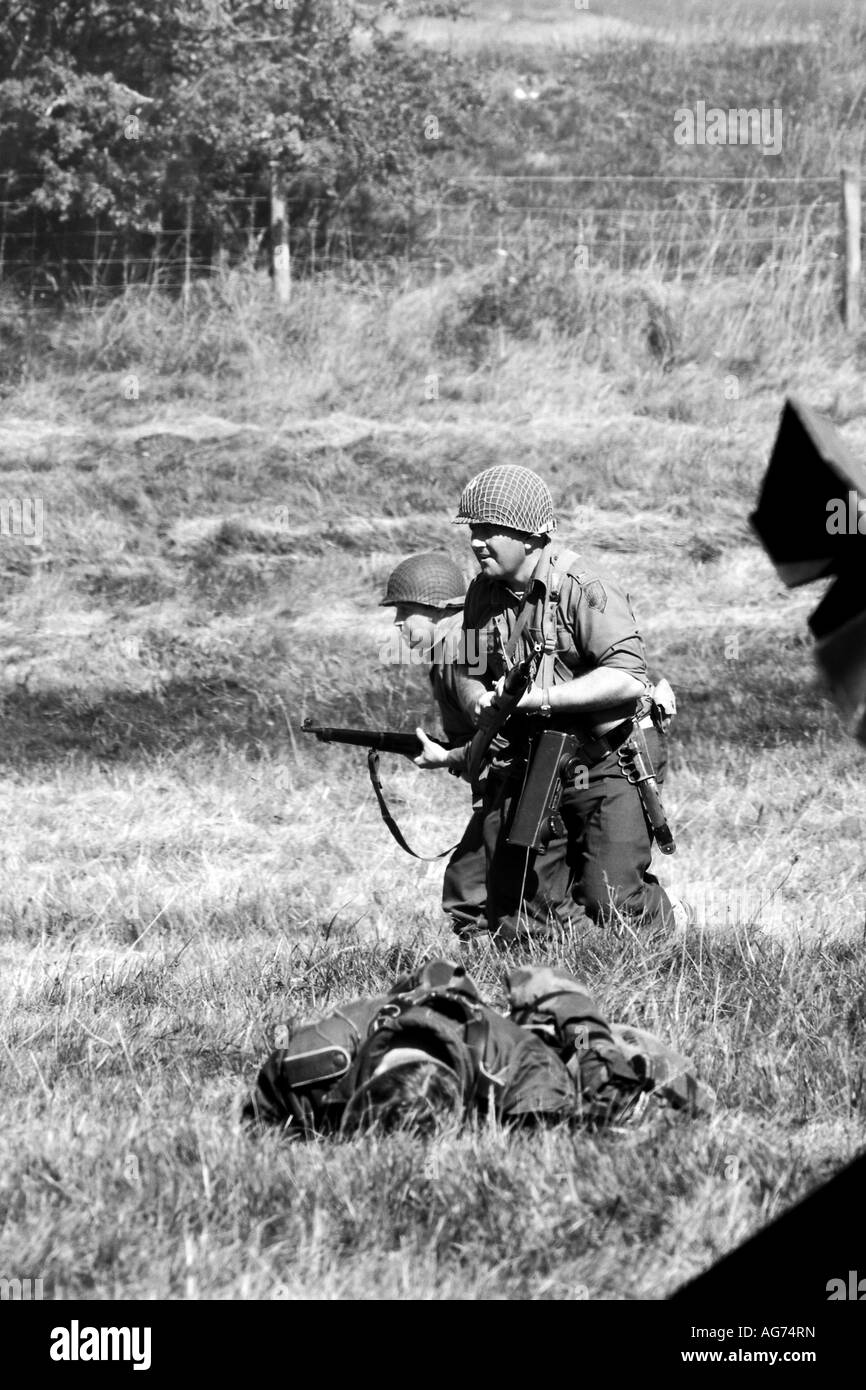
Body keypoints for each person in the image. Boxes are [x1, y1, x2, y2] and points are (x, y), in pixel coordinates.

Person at [415, 464, 677, 943]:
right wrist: (479, 703)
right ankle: (580, 966)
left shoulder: (585, 586)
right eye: (473, 530)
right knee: (526, 898)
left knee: (612, 896)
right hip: (539, 760)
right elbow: (469, 669)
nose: (476, 542)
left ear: (531, 536)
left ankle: (668, 942)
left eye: (490, 530)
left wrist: (539, 699)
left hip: (609, 755)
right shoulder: (482, 592)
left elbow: (626, 677)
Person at [242, 957, 713, 1137]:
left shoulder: (524, 1067)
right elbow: (257, 1118)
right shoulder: (317, 1060)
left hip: (490, 1038)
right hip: (410, 1009)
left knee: (612, 1060)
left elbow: (555, 1141)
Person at [382, 552, 567, 941]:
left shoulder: (460, 654)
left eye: (404, 611)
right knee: (478, 884)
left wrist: (446, 757)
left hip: (523, 784)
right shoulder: (451, 653)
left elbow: (498, 736)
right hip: (506, 786)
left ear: (439, 610)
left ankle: (497, 957)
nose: (397, 623)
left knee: (472, 887)